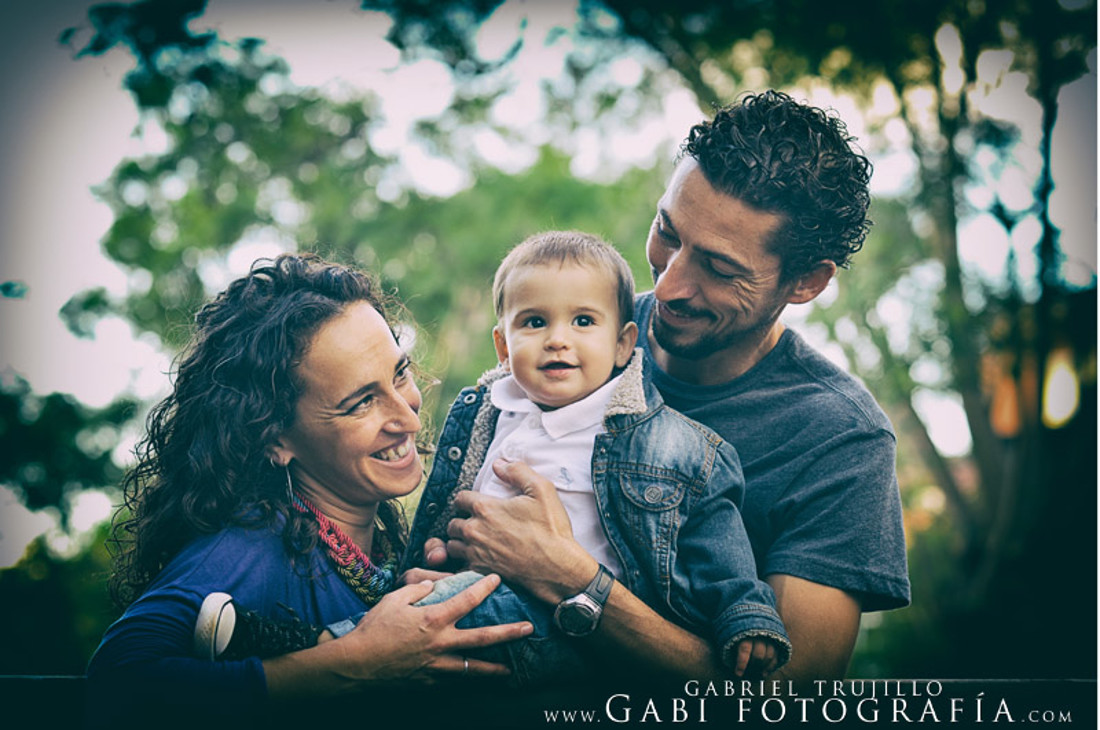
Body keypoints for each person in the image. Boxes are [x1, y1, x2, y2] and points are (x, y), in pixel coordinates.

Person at [415, 90, 911, 684]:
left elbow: (784, 697)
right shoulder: (567, 339)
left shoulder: (840, 439)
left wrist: (573, 582)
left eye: (720, 269)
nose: (670, 286)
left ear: (805, 282)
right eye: (667, 233)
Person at [204, 231, 791, 684]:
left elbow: (718, 544)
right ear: (504, 346)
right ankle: (307, 653)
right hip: (477, 595)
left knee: (424, 622)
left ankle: (303, 649)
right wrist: (438, 550)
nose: (558, 339)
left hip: (570, 630)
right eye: (535, 323)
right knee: (416, 616)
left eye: (584, 322)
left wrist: (749, 616)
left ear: (623, 345)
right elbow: (448, 511)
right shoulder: (488, 413)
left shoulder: (676, 446)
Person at [84, 254, 533, 721]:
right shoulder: (253, 543)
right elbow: (118, 683)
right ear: (275, 438)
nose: (408, 416)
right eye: (361, 403)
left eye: (399, 374)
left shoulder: (380, 545)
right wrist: (360, 663)